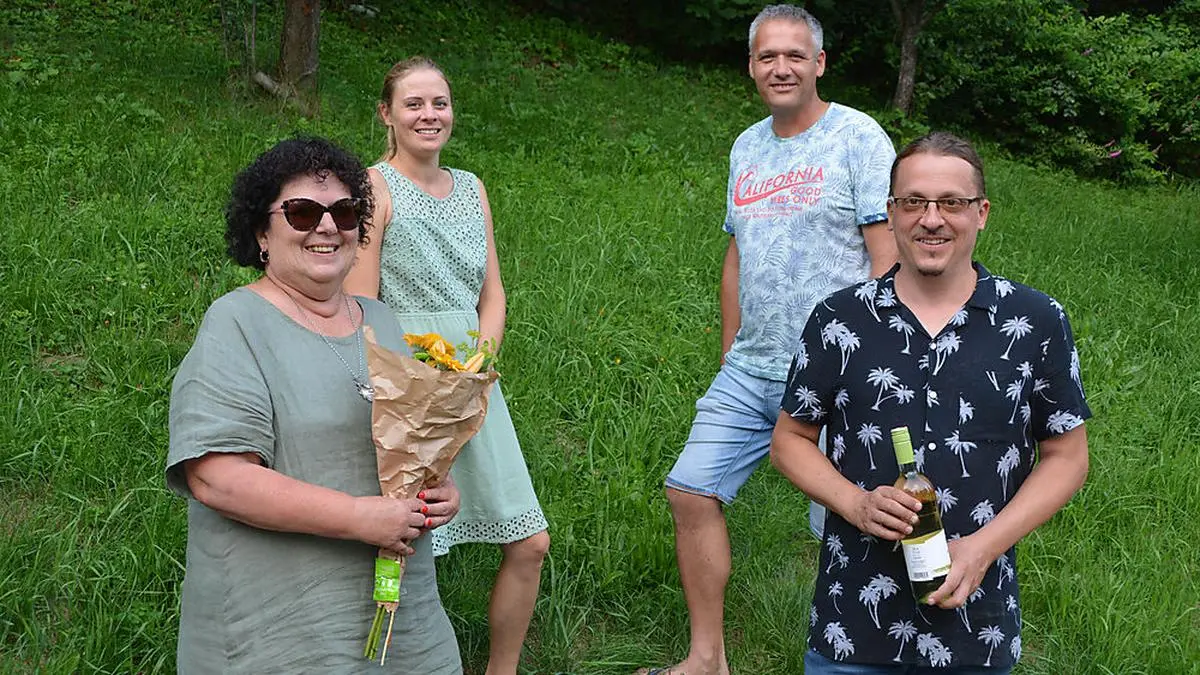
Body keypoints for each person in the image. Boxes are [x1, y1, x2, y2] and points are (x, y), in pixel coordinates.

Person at [771, 131, 1091, 672]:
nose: (932, 218)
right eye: (914, 201)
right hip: (852, 626)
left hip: (978, 631)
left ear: (981, 212)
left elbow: (1067, 457)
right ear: (891, 213)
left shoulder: (1036, 321)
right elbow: (790, 440)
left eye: (952, 203)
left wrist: (985, 546)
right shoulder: (839, 320)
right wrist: (855, 503)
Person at [650, 5, 897, 674]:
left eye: (794, 55)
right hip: (753, 367)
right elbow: (738, 255)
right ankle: (707, 658)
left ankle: (856, 655)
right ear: (752, 67)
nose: (780, 67)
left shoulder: (859, 137)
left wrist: (874, 357)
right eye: (767, 57)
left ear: (819, 63)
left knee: (845, 526)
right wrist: (729, 348)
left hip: (840, 372)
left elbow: (887, 254)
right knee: (690, 489)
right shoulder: (746, 146)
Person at [165, 137, 463, 673]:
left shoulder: (382, 321)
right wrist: (360, 518)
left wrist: (438, 494)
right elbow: (217, 477)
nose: (326, 227)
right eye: (302, 212)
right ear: (262, 232)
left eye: (344, 212)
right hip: (287, 628)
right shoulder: (237, 323)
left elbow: (405, 447)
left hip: (402, 623)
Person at [343, 57, 550, 675]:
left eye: (440, 102)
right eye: (413, 104)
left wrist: (480, 363)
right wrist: (415, 384)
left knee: (531, 542)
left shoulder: (472, 186)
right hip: (408, 383)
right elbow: (364, 300)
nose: (429, 115)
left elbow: (493, 293)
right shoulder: (372, 187)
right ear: (387, 114)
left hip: (474, 380)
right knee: (405, 542)